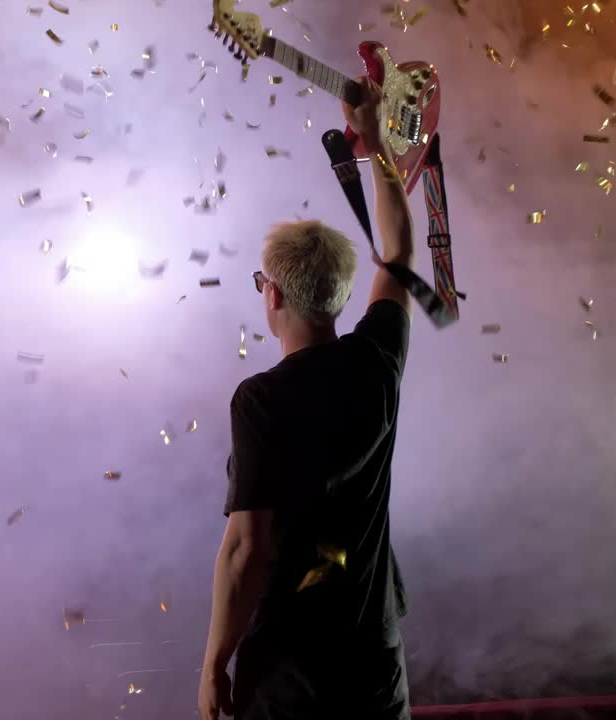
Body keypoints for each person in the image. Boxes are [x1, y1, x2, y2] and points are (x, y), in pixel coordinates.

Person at [198, 77, 416, 720]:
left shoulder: (260, 400)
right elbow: (399, 250)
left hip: (293, 670)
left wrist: (213, 665)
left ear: (271, 296)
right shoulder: (377, 363)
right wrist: (377, 147)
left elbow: (246, 548)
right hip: (374, 660)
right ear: (341, 296)